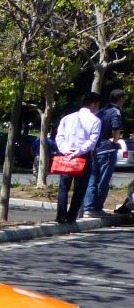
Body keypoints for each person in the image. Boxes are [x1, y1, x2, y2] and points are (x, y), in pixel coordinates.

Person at [54, 91, 101, 224]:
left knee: (64, 187)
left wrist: (66, 150)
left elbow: (59, 136)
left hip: (66, 155)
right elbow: (92, 141)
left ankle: (60, 216)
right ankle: (71, 216)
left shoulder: (67, 118)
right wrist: (79, 151)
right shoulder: (95, 121)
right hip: (83, 157)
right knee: (80, 189)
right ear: (93, 104)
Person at [82, 89, 126, 217]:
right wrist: (115, 141)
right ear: (121, 99)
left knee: (92, 179)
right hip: (107, 149)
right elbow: (116, 129)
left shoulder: (101, 111)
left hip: (95, 149)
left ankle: (88, 207)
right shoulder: (115, 111)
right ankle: (97, 208)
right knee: (103, 181)